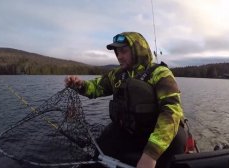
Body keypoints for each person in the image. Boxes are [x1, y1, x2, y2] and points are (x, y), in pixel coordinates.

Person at [65, 32, 187, 168]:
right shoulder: (116, 75)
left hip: (159, 135)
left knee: (176, 152)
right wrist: (79, 85)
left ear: (137, 51)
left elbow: (171, 112)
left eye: (123, 51)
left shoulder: (160, 73)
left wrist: (151, 154)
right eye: (117, 52)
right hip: (129, 131)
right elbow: (96, 88)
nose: (119, 56)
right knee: (98, 152)